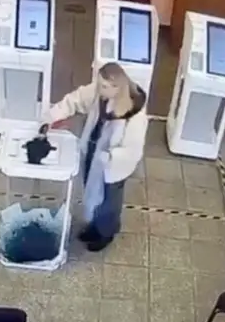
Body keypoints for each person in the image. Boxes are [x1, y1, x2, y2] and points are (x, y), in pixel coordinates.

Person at [40, 62, 148, 252]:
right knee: (92, 192)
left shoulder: (135, 114)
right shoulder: (100, 93)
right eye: (100, 84)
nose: (100, 90)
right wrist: (51, 117)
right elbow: (75, 100)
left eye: (105, 87)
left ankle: (105, 233)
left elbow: (133, 149)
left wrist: (110, 157)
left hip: (113, 167)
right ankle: (93, 226)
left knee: (109, 200)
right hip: (93, 151)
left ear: (117, 87)